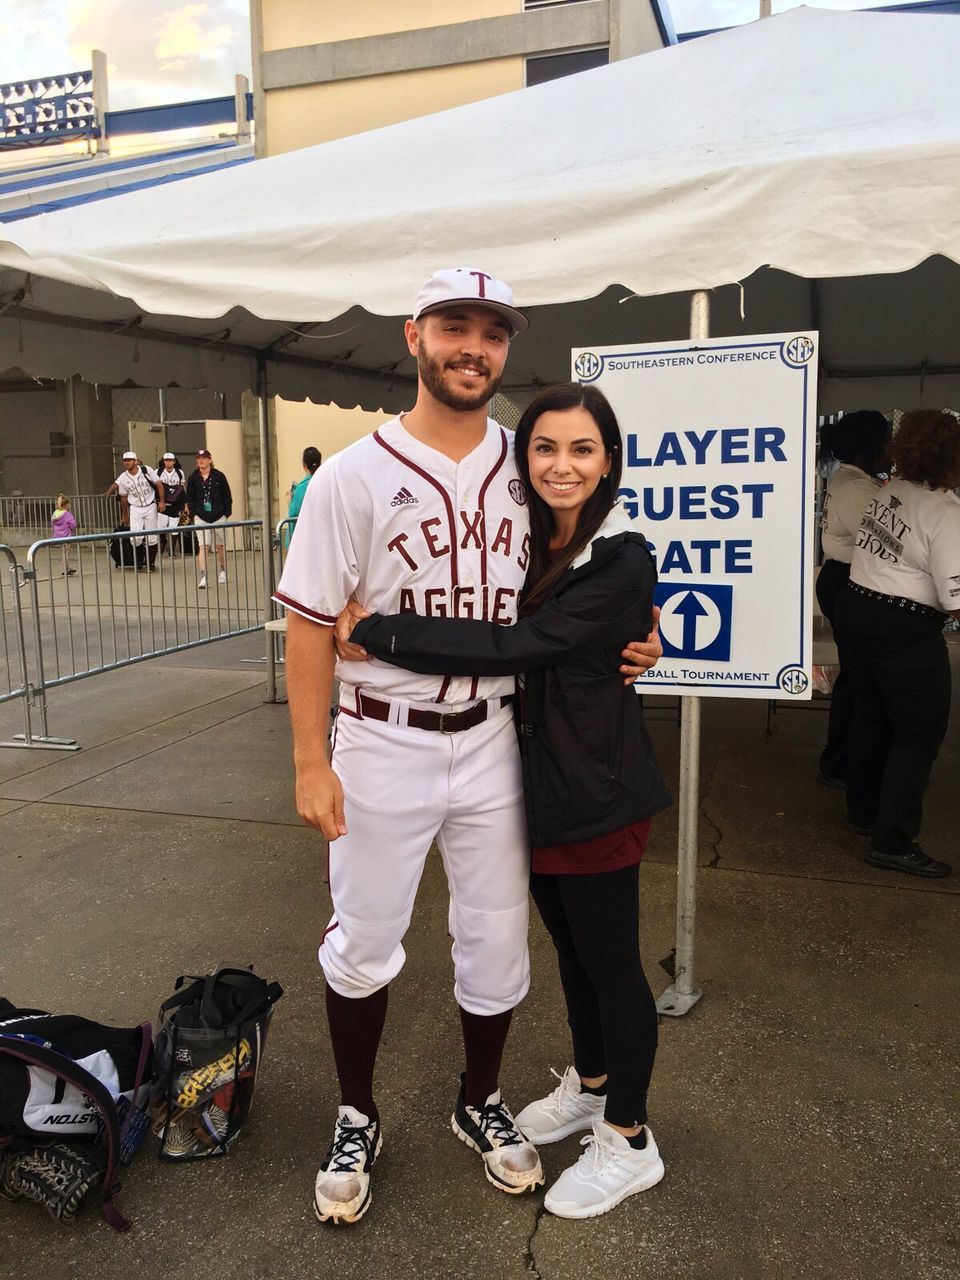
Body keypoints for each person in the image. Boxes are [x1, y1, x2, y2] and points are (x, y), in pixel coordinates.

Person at [273, 267, 661, 1225]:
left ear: (506, 351)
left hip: (495, 737)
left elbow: (570, 590)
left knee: (494, 945)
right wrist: (308, 760)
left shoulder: (523, 464)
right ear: (415, 335)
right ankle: (356, 1111)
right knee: (363, 942)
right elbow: (313, 626)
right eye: (454, 325)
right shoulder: (350, 477)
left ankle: (479, 1101)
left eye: (491, 333)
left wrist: (640, 635)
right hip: (381, 738)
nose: (471, 347)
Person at [346, 383, 671, 1220]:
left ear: (609, 462)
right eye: (545, 449)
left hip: (595, 792)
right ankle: (594, 1086)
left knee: (612, 965)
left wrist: (379, 628)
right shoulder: (529, 543)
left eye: (583, 450)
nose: (562, 466)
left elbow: (515, 645)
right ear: (522, 459)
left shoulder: (622, 560)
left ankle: (630, 1139)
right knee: (570, 952)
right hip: (533, 789)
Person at [833, 408, 960, 878]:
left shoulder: (893, 492)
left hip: (861, 607)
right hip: (904, 629)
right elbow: (956, 600)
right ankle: (893, 840)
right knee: (919, 733)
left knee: (873, 716)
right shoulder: (945, 512)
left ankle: (863, 811)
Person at [816, 411, 892, 787]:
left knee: (856, 676)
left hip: (845, 580)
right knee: (861, 680)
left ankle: (842, 761)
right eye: (888, 440)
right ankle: (844, 763)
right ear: (872, 446)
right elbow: (891, 543)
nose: (892, 449)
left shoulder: (854, 480)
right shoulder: (857, 489)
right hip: (848, 581)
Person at [185, 448, 232, 588]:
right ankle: (204, 576)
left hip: (218, 515)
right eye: (199, 459)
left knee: (219, 545)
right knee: (203, 545)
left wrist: (226, 513)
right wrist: (194, 514)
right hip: (201, 515)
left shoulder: (219, 476)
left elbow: (227, 496)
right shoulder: (193, 477)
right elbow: (190, 497)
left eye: (204, 458)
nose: (201, 461)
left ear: (210, 460)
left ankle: (223, 570)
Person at [114, 451, 165, 571]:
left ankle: (150, 562)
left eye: (130, 460)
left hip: (150, 505)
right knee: (135, 537)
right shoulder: (123, 477)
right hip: (136, 508)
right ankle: (139, 559)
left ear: (135, 461)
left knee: (152, 537)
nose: (127, 462)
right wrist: (125, 515)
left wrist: (162, 501)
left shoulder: (146, 470)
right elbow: (123, 497)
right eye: (125, 460)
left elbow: (159, 484)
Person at [285, 446, 322, 546]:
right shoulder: (325, 482)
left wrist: (289, 501)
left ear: (304, 465)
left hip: (303, 538)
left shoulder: (302, 488)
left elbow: (294, 513)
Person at [156, 452, 188, 556]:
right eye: (166, 460)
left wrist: (185, 504)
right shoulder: (158, 471)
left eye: (170, 460)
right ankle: (163, 541)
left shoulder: (179, 472)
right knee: (161, 526)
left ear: (174, 461)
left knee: (174, 526)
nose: (168, 462)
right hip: (164, 502)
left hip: (176, 503)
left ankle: (172, 550)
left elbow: (182, 488)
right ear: (163, 461)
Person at [51, 494, 77, 576]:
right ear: (66, 505)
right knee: (66, 553)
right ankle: (65, 569)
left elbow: (53, 523)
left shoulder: (55, 513)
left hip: (58, 536)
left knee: (63, 552)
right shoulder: (67, 514)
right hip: (66, 536)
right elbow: (73, 524)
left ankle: (67, 568)